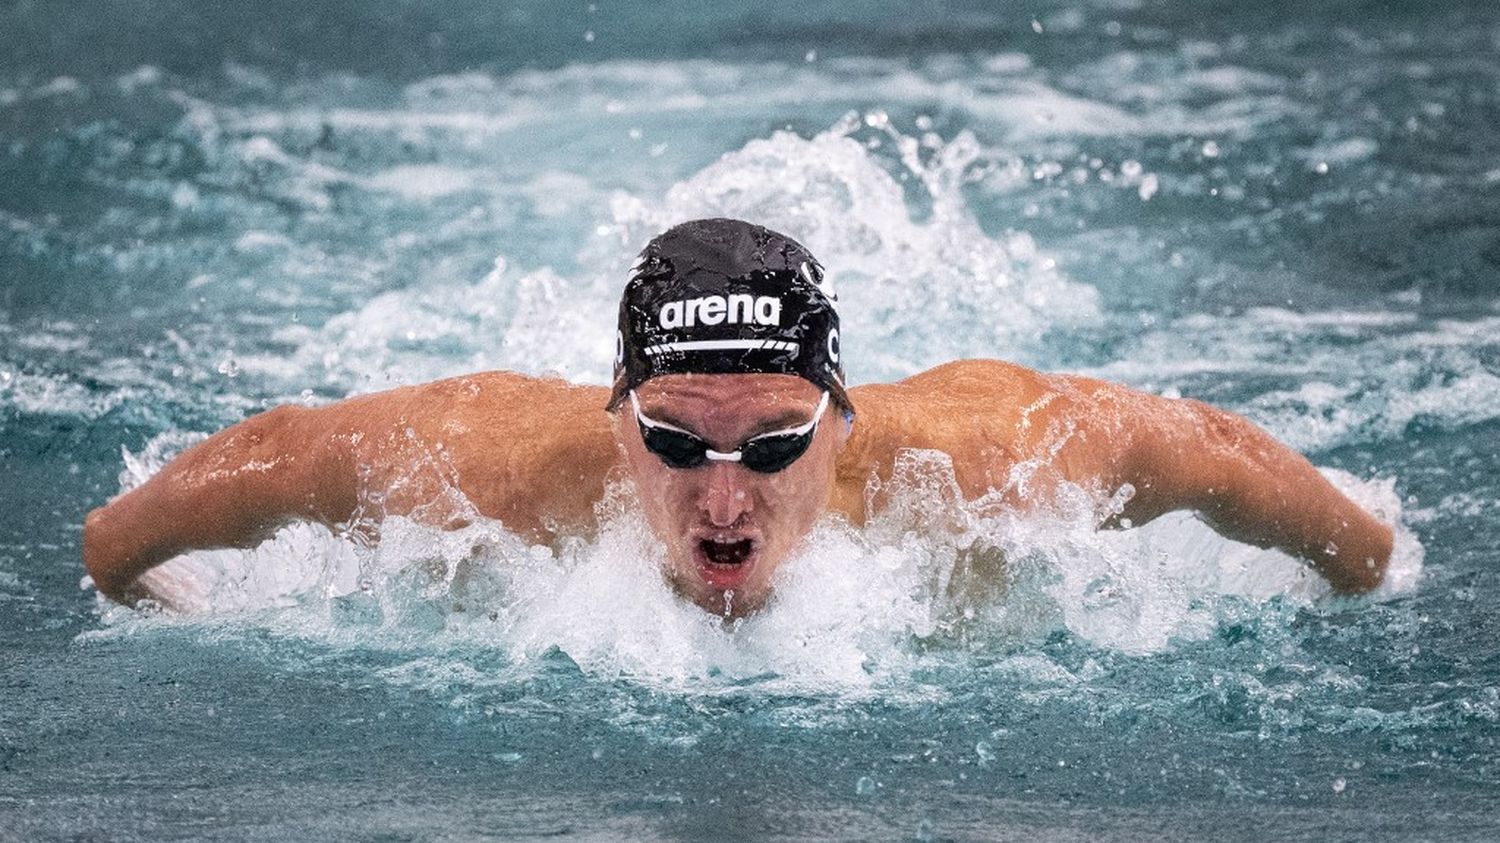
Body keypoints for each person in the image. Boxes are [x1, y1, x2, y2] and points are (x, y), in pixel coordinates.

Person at [82, 218, 1394, 617]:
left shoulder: (993, 460)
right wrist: (145, 597)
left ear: (839, 420)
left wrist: (1368, 580)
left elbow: (1214, 454)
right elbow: (233, 475)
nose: (724, 502)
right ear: (614, 421)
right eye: (673, 444)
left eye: (771, 447)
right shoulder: (469, 468)